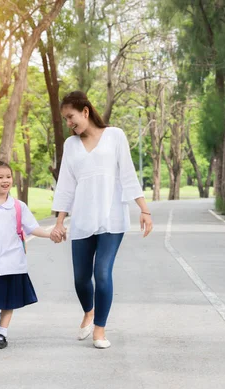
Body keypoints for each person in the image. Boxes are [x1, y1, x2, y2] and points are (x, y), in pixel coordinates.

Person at [50, 91, 153, 349]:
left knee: (102, 273)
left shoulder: (115, 136)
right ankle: (89, 311)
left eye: (71, 117)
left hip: (112, 218)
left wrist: (144, 210)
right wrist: (60, 221)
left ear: (85, 111)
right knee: (81, 278)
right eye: (65, 119)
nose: (68, 123)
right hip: (83, 219)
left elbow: (128, 174)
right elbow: (66, 185)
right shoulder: (70, 145)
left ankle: (100, 330)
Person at [0, 160, 52, 349]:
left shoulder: (18, 206)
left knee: (8, 299)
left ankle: (2, 334)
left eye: (8, 177)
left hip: (13, 261)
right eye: (0, 177)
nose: (5, 181)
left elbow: (33, 228)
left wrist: (49, 234)